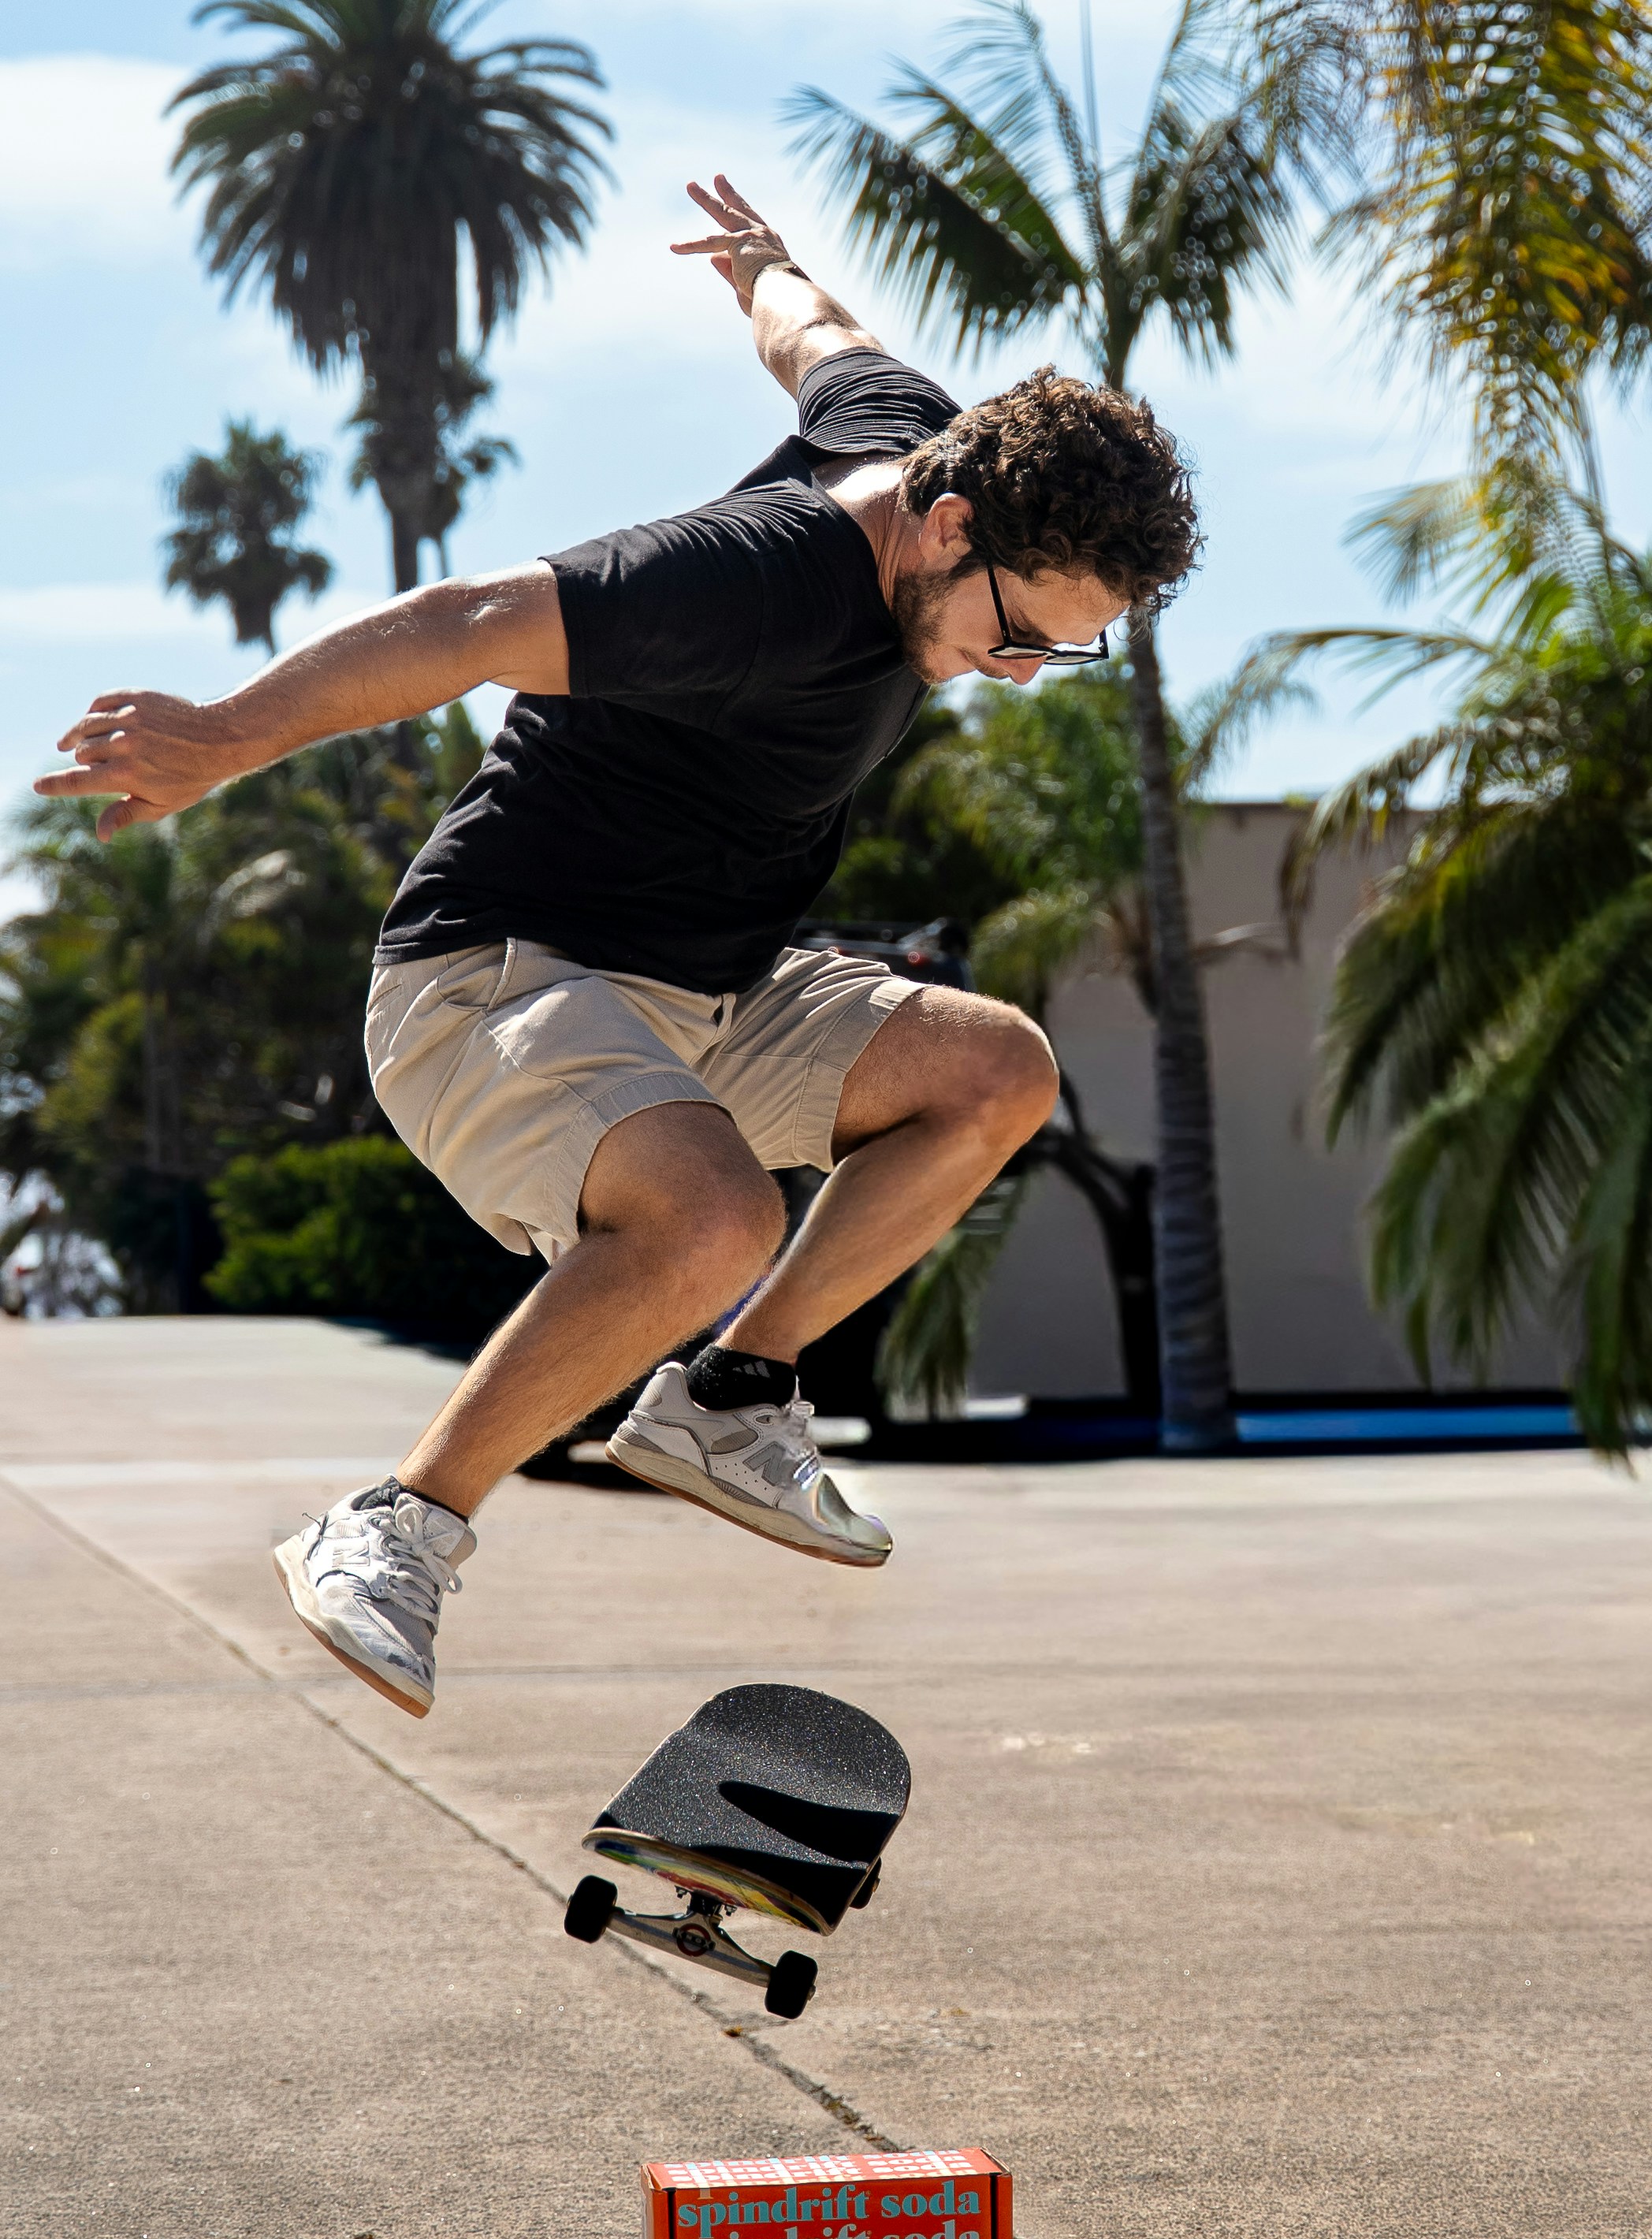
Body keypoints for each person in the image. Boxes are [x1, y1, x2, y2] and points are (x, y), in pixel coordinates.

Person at [36, 176, 1201, 1723]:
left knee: (995, 1071)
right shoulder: (754, 580)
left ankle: (733, 1396)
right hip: (490, 976)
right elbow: (467, 623)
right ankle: (394, 1525)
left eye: (1065, 647)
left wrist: (763, 266)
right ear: (948, 524)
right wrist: (224, 737)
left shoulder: (918, 433)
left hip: (709, 989)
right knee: (712, 1216)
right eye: (1021, 629)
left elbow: (821, 339)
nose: (1024, 670)